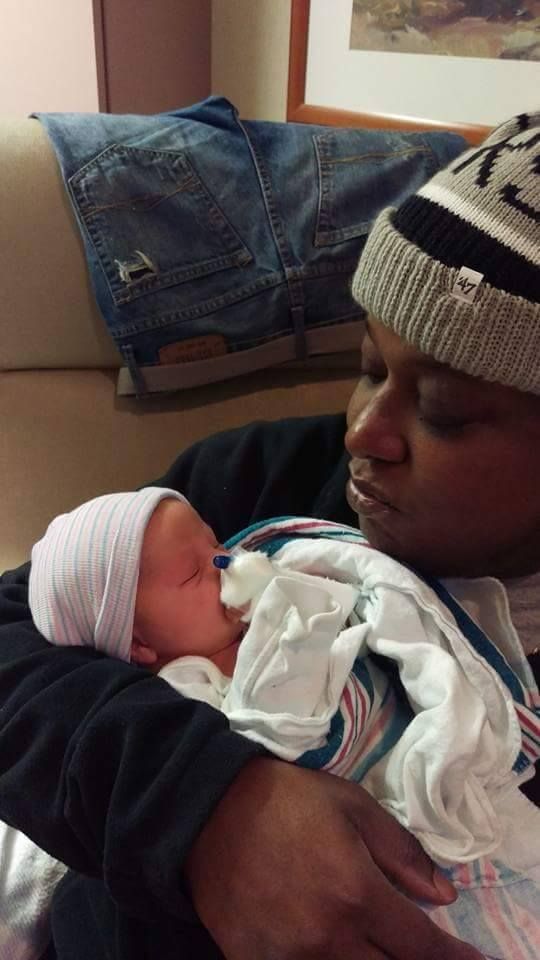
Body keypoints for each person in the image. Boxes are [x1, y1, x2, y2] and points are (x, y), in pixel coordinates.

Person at [0, 110, 538, 960]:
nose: (364, 432)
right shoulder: (256, 480)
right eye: (368, 367)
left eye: (443, 412)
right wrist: (207, 806)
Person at [8, 484, 538, 959]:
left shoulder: (273, 585)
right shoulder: (182, 686)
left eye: (217, 544)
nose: (227, 562)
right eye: (194, 573)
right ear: (139, 645)